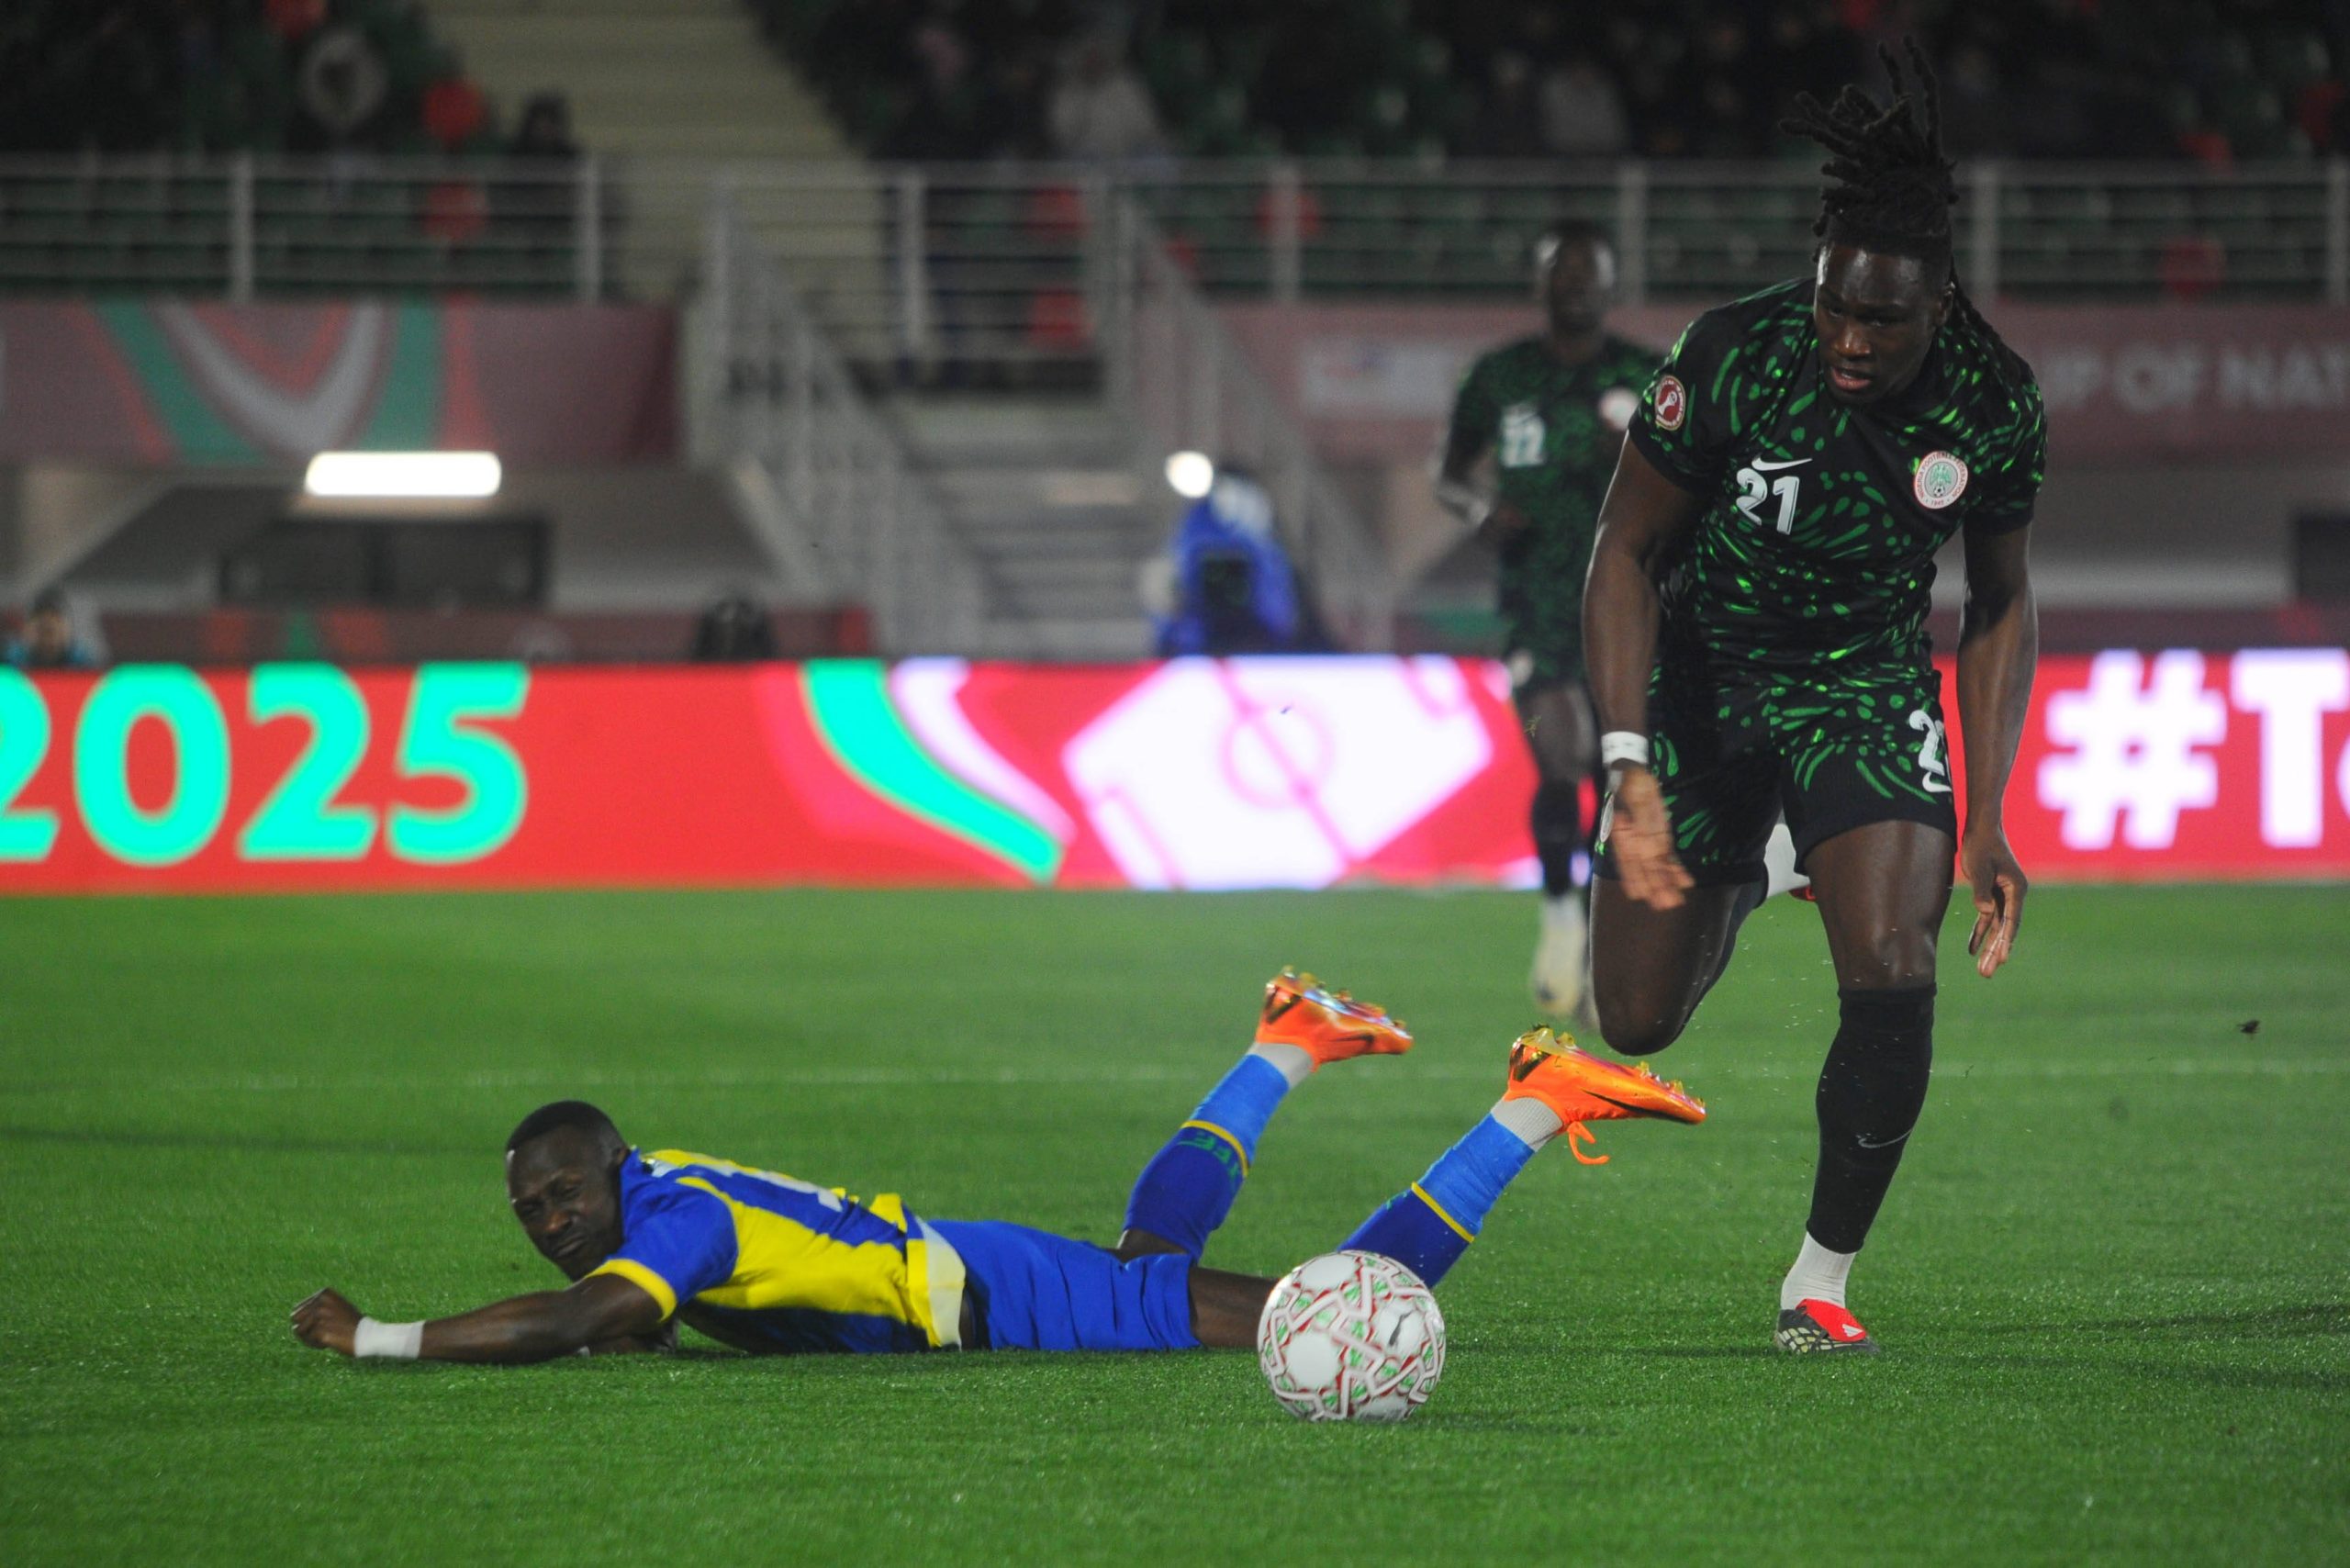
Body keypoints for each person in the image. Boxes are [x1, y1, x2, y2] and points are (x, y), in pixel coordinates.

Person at [1581, 44, 2045, 1355]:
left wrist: (1990, 812)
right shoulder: (1734, 352)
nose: (1850, 338)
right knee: (1637, 1017)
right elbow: (1621, 551)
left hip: (1863, 681)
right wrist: (1629, 766)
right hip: (1706, 678)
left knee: (1893, 969)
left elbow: (2000, 602)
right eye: (1839, 307)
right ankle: (1760, 851)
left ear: (1941, 300)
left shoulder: (1995, 404)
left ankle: (1820, 1281)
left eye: (1883, 321)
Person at [290, 972, 1703, 1362]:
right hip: (966, 1270)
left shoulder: (671, 1233)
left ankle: (1533, 1100)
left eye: (562, 1195)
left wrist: (382, 1339)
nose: (549, 1221)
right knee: (1158, 1272)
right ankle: (1284, 1043)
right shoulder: (659, 1194)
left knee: (1332, 1314)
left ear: (613, 1171)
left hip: (987, 1299)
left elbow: (590, 1320)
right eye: (531, 1209)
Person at [1435, 223, 1657, 1025]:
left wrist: (1634, 455)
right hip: (1534, 598)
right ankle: (1561, 913)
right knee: (1559, 755)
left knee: (1615, 774)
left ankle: (1603, 942)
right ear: (1541, 285)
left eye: (1590, 272)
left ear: (1610, 282)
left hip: (1627, 606)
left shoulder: (1648, 374)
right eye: (1562, 272)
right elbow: (1450, 476)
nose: (1577, 286)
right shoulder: (1500, 376)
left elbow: (1699, 476)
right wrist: (1483, 509)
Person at [6, 588, 99, 669]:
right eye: (43, 630)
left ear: (67, 629)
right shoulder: (13, 660)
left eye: (52, 631)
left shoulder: (82, 662)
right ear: (27, 629)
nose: (48, 640)